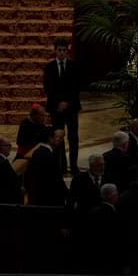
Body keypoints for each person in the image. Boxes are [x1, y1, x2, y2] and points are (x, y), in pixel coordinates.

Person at [43, 38, 82, 175]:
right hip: (55, 108)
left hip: (71, 107)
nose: (61, 53)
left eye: (64, 50)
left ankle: (74, 165)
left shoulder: (74, 66)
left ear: (67, 50)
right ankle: (61, 166)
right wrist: (59, 103)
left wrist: (67, 102)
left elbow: (76, 87)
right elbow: (48, 89)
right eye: (59, 50)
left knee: (73, 137)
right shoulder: (48, 68)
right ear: (55, 50)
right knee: (58, 138)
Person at [26, 128, 68, 206]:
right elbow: (57, 179)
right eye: (55, 137)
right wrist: (68, 194)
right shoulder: (50, 156)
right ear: (50, 138)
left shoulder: (36, 152)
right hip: (49, 199)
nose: (57, 140)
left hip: (36, 197)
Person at [0, 136, 21, 204]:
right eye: (9, 145)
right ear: (2, 147)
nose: (10, 148)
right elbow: (7, 182)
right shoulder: (0, 162)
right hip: (6, 199)